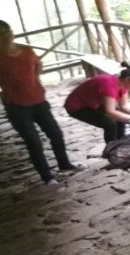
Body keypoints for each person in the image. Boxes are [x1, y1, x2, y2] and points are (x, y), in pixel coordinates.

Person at [0, 20, 83, 185]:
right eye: (0, 34)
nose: (5, 36)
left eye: (6, 32)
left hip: (39, 102)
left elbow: (38, 66)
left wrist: (34, 82)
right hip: (17, 107)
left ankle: (64, 164)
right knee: (34, 142)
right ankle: (47, 177)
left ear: (11, 32)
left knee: (56, 134)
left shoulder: (27, 51)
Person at [65, 62, 130, 144]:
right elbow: (110, 112)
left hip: (92, 103)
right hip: (76, 106)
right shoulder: (109, 85)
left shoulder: (122, 84)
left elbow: (124, 105)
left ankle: (120, 143)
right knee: (110, 124)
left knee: (120, 118)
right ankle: (112, 149)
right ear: (127, 79)